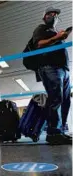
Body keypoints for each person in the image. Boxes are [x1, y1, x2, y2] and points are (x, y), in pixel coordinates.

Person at [33, 7, 72, 144]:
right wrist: (57, 37)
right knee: (56, 98)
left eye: (55, 14)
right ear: (44, 17)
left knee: (66, 101)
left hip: (64, 69)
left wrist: (59, 36)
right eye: (50, 14)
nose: (53, 16)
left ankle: (60, 130)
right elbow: (39, 44)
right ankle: (53, 133)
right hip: (50, 68)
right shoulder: (41, 28)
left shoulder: (56, 32)